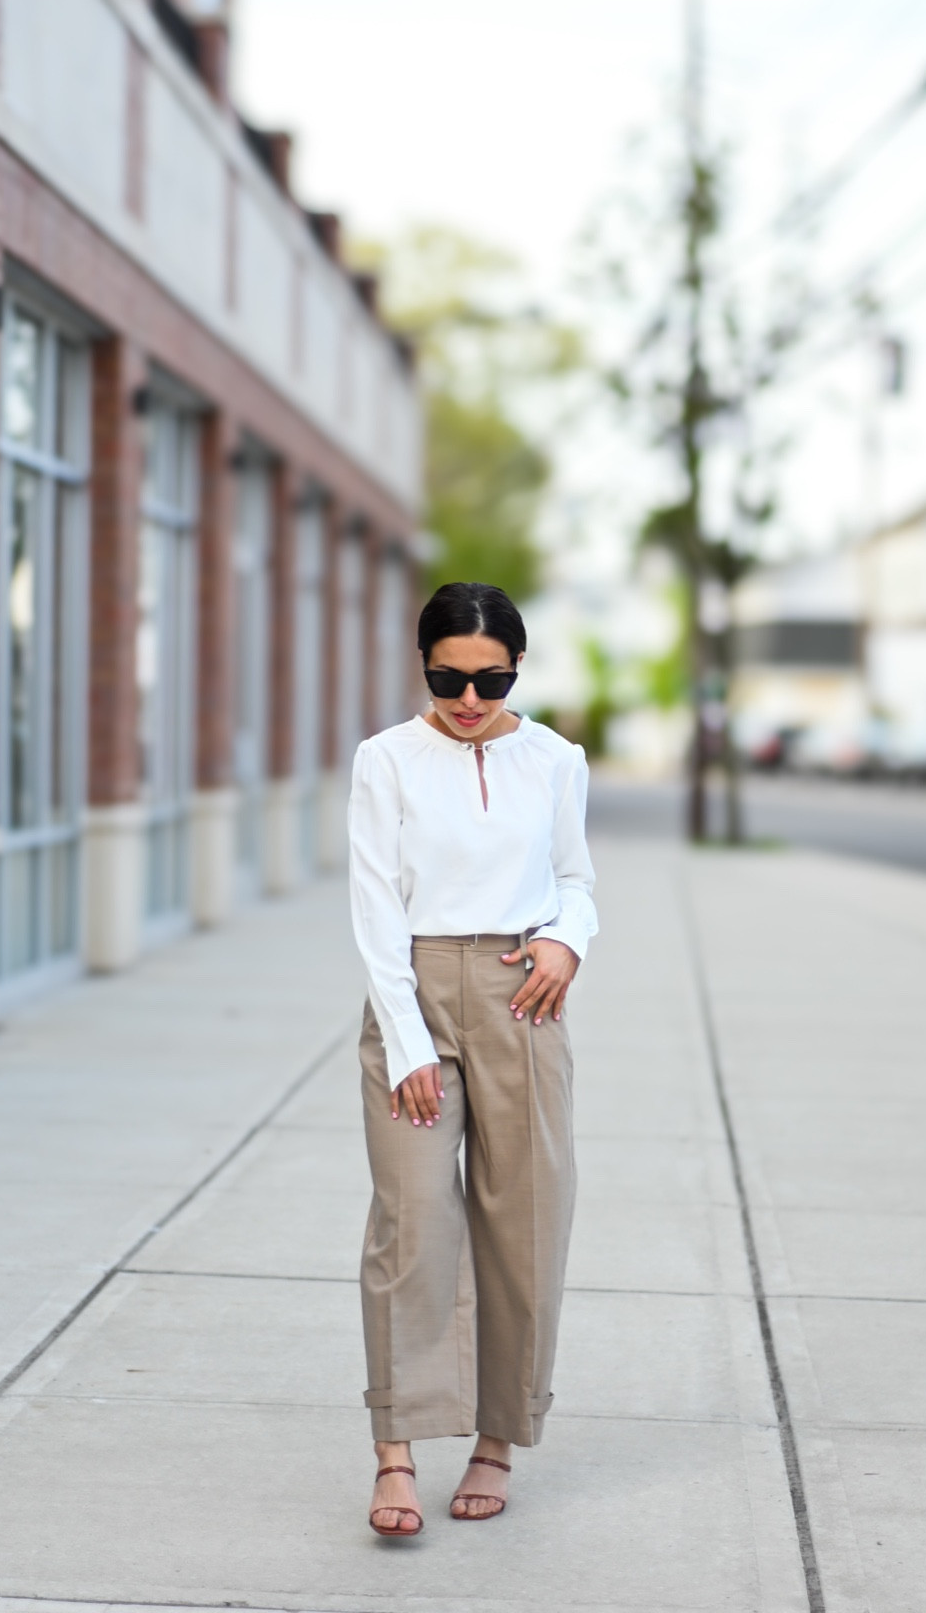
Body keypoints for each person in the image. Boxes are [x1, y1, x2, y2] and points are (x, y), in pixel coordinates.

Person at [348, 580, 598, 1538]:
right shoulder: (386, 761)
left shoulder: (555, 760)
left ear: (518, 667)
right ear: (423, 664)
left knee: (526, 1220)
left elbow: (575, 877)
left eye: (489, 678)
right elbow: (374, 906)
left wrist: (569, 939)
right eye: (449, 676)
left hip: (521, 995)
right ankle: (398, 1450)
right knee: (411, 1223)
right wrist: (405, 1039)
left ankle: (498, 1437)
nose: (468, 698)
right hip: (410, 989)